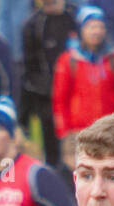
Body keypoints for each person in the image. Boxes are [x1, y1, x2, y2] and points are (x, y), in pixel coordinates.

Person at [51, 6, 114, 149]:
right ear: (81, 30)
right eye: (91, 27)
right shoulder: (68, 60)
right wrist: (64, 132)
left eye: (100, 27)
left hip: (110, 131)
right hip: (78, 132)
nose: (96, 32)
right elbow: (60, 98)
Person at [21, 0, 78, 170]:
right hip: (48, 96)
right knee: (53, 149)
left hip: (78, 94)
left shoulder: (76, 18)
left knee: (79, 147)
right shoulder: (33, 24)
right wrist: (47, 89)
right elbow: (30, 66)